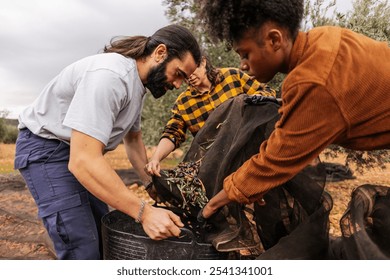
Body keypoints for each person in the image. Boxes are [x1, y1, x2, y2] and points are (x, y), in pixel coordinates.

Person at [14, 24, 202, 259]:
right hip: (47, 151)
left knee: (103, 234)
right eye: (179, 74)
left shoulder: (136, 85)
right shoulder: (111, 76)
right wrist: (144, 213)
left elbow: (133, 143)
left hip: (75, 152)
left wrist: (151, 186)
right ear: (160, 53)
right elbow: (82, 161)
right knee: (81, 244)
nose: (177, 85)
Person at [197, 0, 390, 219]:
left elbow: (278, 158)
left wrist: (215, 203)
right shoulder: (324, 37)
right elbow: (286, 130)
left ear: (274, 39)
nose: (242, 65)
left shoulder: (312, 81)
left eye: (245, 54)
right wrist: (255, 184)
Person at [145, 54, 276, 177]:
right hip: (219, 168)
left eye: (192, 69)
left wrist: (245, 103)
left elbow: (267, 91)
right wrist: (155, 158)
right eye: (184, 74)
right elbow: (173, 133)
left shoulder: (232, 76)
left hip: (253, 153)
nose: (189, 76)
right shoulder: (183, 102)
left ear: (203, 62)